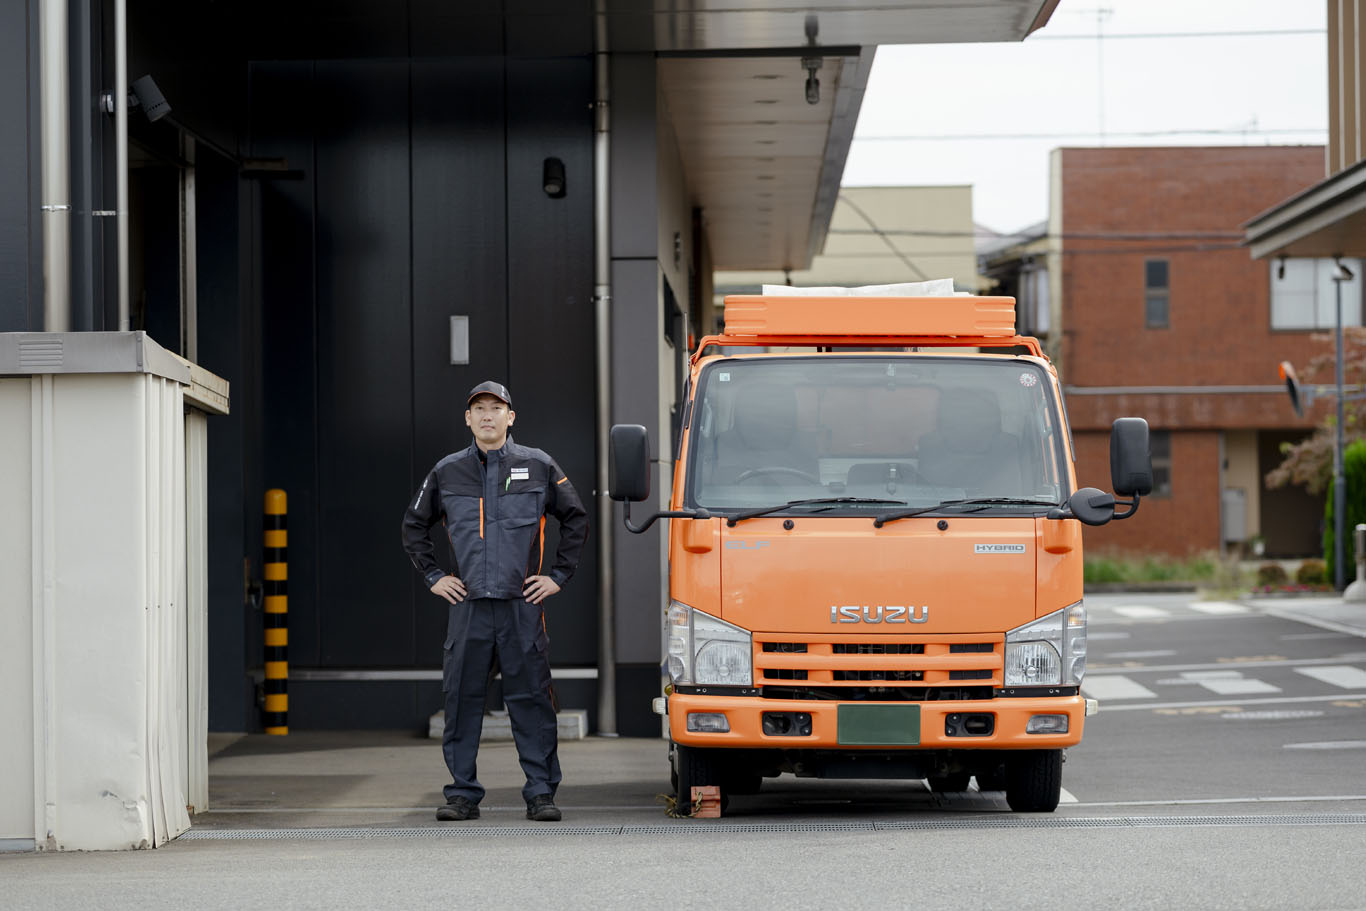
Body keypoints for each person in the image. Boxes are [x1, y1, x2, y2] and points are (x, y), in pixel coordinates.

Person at [402, 380, 588, 822]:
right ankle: (462, 794)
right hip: (467, 607)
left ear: (511, 416)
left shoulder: (538, 466)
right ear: (467, 418)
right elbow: (414, 525)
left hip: (522, 606)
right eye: (479, 409)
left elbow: (576, 518)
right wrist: (434, 576)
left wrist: (558, 576)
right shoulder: (447, 471)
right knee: (462, 701)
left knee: (532, 700)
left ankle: (541, 793)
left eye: (496, 408)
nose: (487, 415)